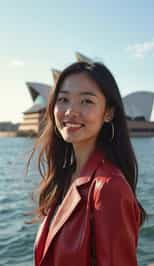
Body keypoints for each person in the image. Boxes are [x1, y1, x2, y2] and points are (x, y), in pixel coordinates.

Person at [27, 61, 146, 266]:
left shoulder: (109, 188)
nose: (71, 111)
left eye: (86, 101)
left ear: (108, 112)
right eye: (63, 99)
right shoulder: (64, 176)